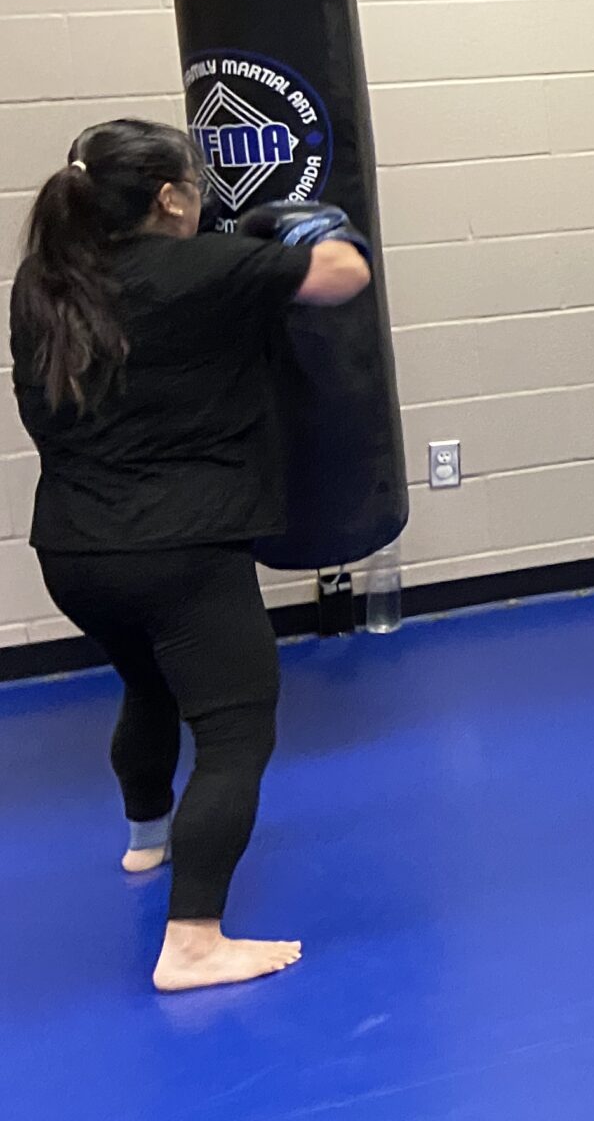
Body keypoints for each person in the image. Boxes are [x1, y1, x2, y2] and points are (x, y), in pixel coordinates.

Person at [10, 120, 373, 993]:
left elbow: (161, 298)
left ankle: (146, 841)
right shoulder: (208, 271)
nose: (205, 194)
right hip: (183, 551)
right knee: (236, 731)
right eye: (196, 184)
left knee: (149, 685)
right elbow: (344, 276)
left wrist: (235, 248)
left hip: (74, 554)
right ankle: (194, 941)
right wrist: (310, 224)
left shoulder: (45, 279)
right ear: (169, 198)